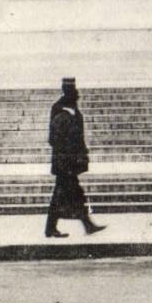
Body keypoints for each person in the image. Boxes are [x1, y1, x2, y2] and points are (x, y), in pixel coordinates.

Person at [45, 79, 105, 238]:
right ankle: (85, 225)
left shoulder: (72, 108)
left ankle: (55, 227)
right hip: (64, 162)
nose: (76, 94)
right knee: (71, 194)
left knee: (67, 194)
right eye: (72, 90)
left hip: (70, 162)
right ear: (66, 91)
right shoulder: (58, 109)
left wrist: (81, 153)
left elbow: (78, 136)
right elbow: (53, 138)